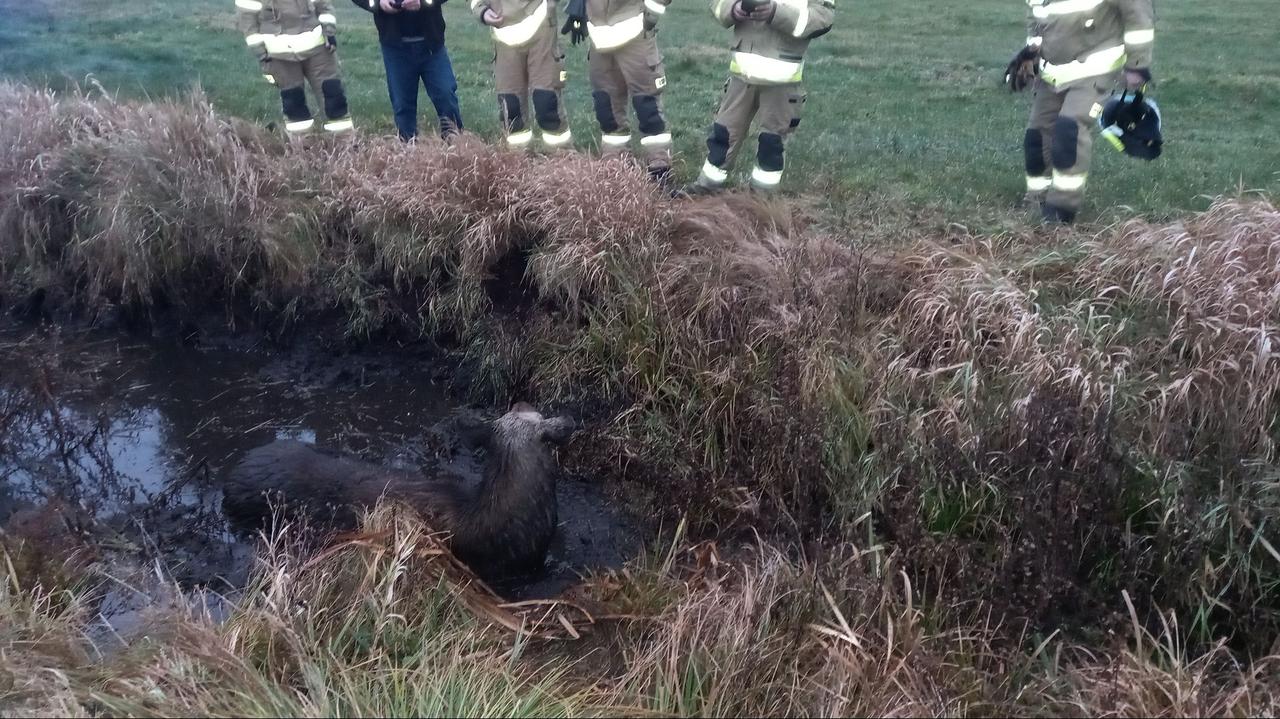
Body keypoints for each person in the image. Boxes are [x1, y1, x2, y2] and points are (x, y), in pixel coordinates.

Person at [1006, 0, 1155, 224]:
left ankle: (1061, 208)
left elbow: (1137, 14)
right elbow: (1037, 17)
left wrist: (1137, 64)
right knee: (1036, 136)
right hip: (1053, 76)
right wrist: (1032, 56)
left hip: (1095, 72)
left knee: (1070, 129)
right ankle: (1036, 198)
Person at [684, 0, 835, 195]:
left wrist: (775, 13)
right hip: (741, 76)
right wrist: (733, 9)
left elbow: (822, 18)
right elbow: (718, 4)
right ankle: (705, 187)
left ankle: (761, 201)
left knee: (772, 143)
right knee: (723, 133)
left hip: (782, 81)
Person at [561, 0, 673, 185]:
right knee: (606, 106)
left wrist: (651, 14)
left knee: (647, 106)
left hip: (635, 29)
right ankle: (615, 164)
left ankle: (659, 165)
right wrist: (577, 10)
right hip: (599, 36)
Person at [352, 0, 465, 141]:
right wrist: (378, 3)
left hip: (431, 45)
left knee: (446, 95)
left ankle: (457, 150)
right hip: (395, 48)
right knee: (402, 107)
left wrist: (423, 2)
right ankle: (408, 154)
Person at [238, 0, 354, 135]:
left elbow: (324, 5)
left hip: (318, 50)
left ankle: (345, 144)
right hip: (279, 56)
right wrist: (260, 52)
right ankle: (303, 146)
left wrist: (329, 32)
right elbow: (247, 21)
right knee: (294, 104)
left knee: (333, 96)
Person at [471, 0, 572, 151]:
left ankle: (563, 160)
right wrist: (483, 11)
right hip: (504, 33)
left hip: (540, 26)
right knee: (511, 108)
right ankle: (519, 162)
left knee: (546, 101)